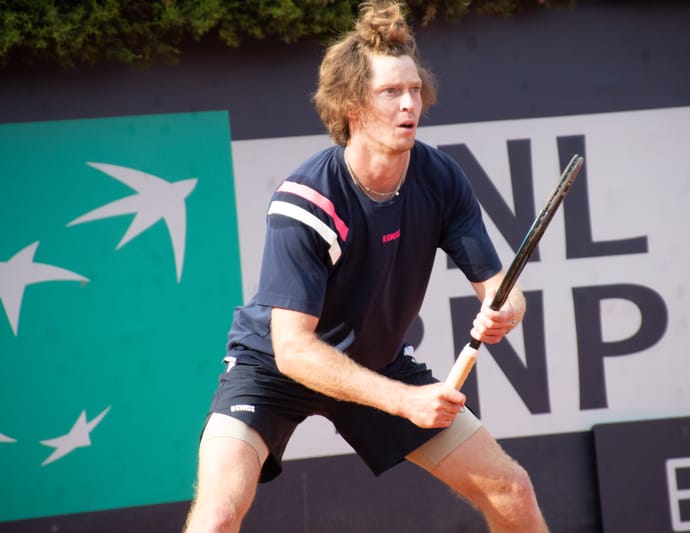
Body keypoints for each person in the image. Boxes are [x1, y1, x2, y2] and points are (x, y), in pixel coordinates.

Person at [184, 1, 549, 532]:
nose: (409, 105)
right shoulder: (306, 202)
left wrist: (504, 310)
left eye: (415, 90)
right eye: (390, 93)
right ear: (353, 106)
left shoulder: (439, 177)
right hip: (273, 368)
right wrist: (406, 402)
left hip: (376, 362)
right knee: (217, 516)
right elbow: (294, 350)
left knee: (512, 491)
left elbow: (502, 289)